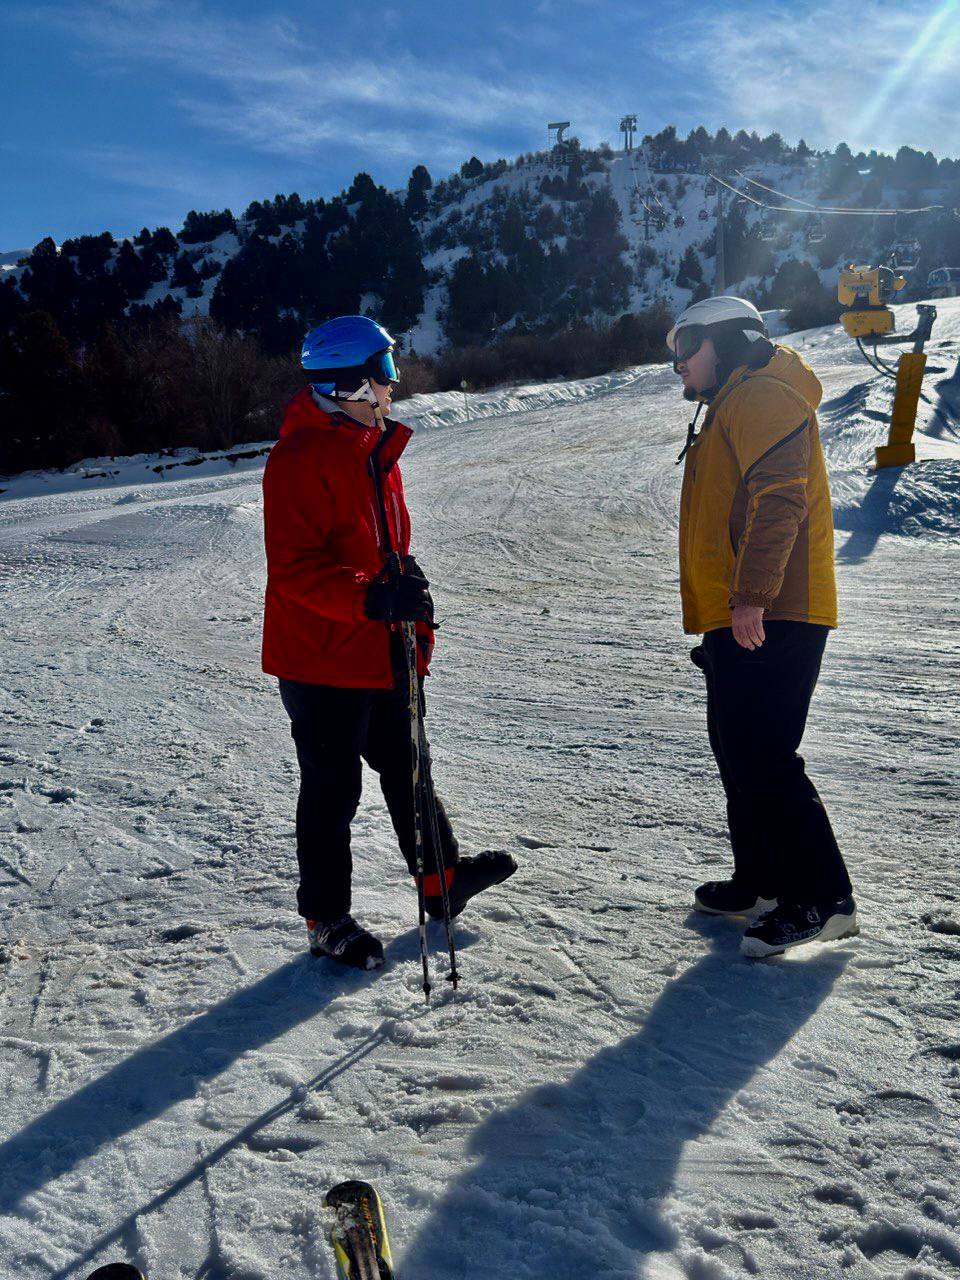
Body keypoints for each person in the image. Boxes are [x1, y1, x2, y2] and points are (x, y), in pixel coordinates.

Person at [261, 315, 516, 970]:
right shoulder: (299, 460)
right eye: (386, 372)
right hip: (322, 655)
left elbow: (384, 547)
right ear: (349, 382)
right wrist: (371, 596)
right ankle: (326, 918)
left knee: (409, 766)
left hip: (382, 643)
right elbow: (295, 572)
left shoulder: (372, 448)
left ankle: (441, 881)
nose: (393, 386)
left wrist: (406, 589)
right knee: (333, 790)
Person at [669, 296, 857, 958]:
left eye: (686, 345)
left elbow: (780, 499)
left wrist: (752, 596)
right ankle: (763, 882)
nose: (677, 362)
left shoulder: (763, 395)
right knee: (738, 753)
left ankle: (826, 900)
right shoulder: (732, 403)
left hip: (776, 609)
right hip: (741, 613)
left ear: (728, 341)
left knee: (765, 756)